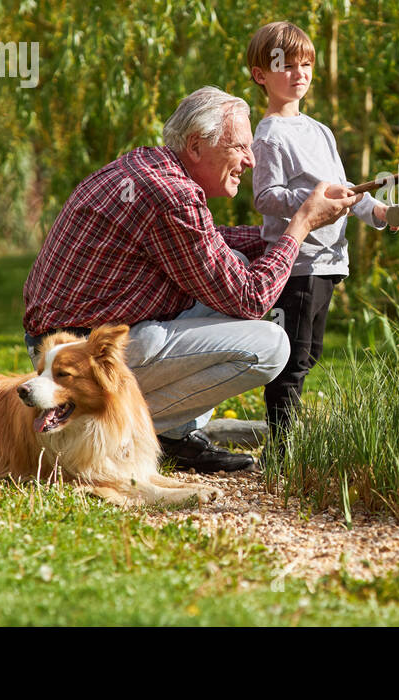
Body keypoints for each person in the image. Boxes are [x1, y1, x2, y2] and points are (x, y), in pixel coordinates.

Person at [22, 85, 359, 473]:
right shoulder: (172, 196)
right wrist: (300, 226)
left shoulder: (150, 168)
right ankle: (138, 427)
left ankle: (175, 432)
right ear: (197, 146)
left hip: (65, 349)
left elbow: (212, 246)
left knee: (228, 267)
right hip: (84, 363)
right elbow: (251, 298)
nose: (251, 160)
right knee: (271, 345)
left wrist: (277, 235)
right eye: (240, 147)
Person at [247, 21, 399, 452]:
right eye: (286, 66)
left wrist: (382, 212)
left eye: (305, 64)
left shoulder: (320, 131)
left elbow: (346, 190)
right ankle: (282, 449)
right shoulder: (269, 134)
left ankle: (286, 441)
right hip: (297, 264)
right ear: (260, 75)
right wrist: (312, 199)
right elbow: (266, 198)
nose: (299, 73)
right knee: (292, 359)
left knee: (309, 355)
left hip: (330, 262)